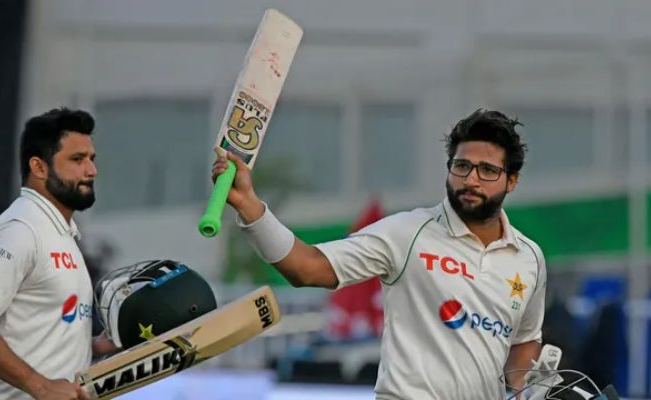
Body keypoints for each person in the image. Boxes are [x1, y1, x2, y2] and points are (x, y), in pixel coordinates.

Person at [212, 108, 547, 400]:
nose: (471, 179)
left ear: (511, 180)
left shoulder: (529, 258)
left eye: (487, 170)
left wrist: (531, 389)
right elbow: (306, 268)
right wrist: (250, 207)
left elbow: (523, 343)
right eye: (462, 166)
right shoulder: (407, 232)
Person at [0, 108, 118, 400]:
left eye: (92, 159)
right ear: (39, 168)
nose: (91, 170)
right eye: (77, 159)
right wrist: (38, 384)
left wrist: (92, 346)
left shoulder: (60, 231)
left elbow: (38, 333)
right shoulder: (20, 229)